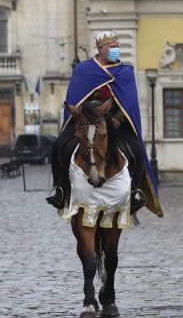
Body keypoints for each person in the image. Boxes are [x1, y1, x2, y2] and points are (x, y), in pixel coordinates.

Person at [46, 31, 162, 217]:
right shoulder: (84, 70)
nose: (116, 50)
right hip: (84, 119)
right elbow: (76, 96)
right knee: (58, 145)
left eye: (117, 46)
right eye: (112, 47)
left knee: (138, 151)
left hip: (115, 122)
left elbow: (129, 103)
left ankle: (134, 193)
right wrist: (82, 116)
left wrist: (117, 119)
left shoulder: (125, 71)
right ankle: (60, 189)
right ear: (101, 49)